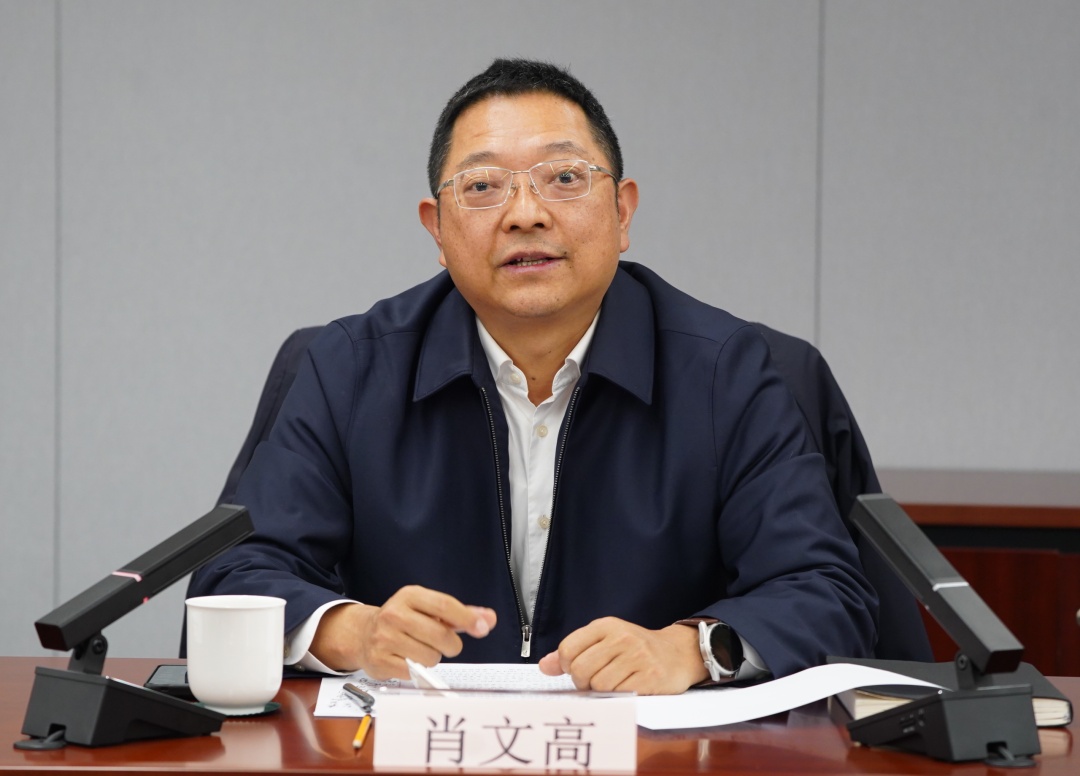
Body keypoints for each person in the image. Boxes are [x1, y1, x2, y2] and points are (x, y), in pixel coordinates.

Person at [189, 58, 878, 695]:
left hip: (658, 755)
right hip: (416, 751)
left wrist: (690, 649)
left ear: (623, 211)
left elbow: (827, 593)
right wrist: (356, 632)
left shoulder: (732, 373)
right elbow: (234, 579)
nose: (526, 214)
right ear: (437, 229)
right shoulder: (348, 368)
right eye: (483, 187)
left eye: (565, 178)